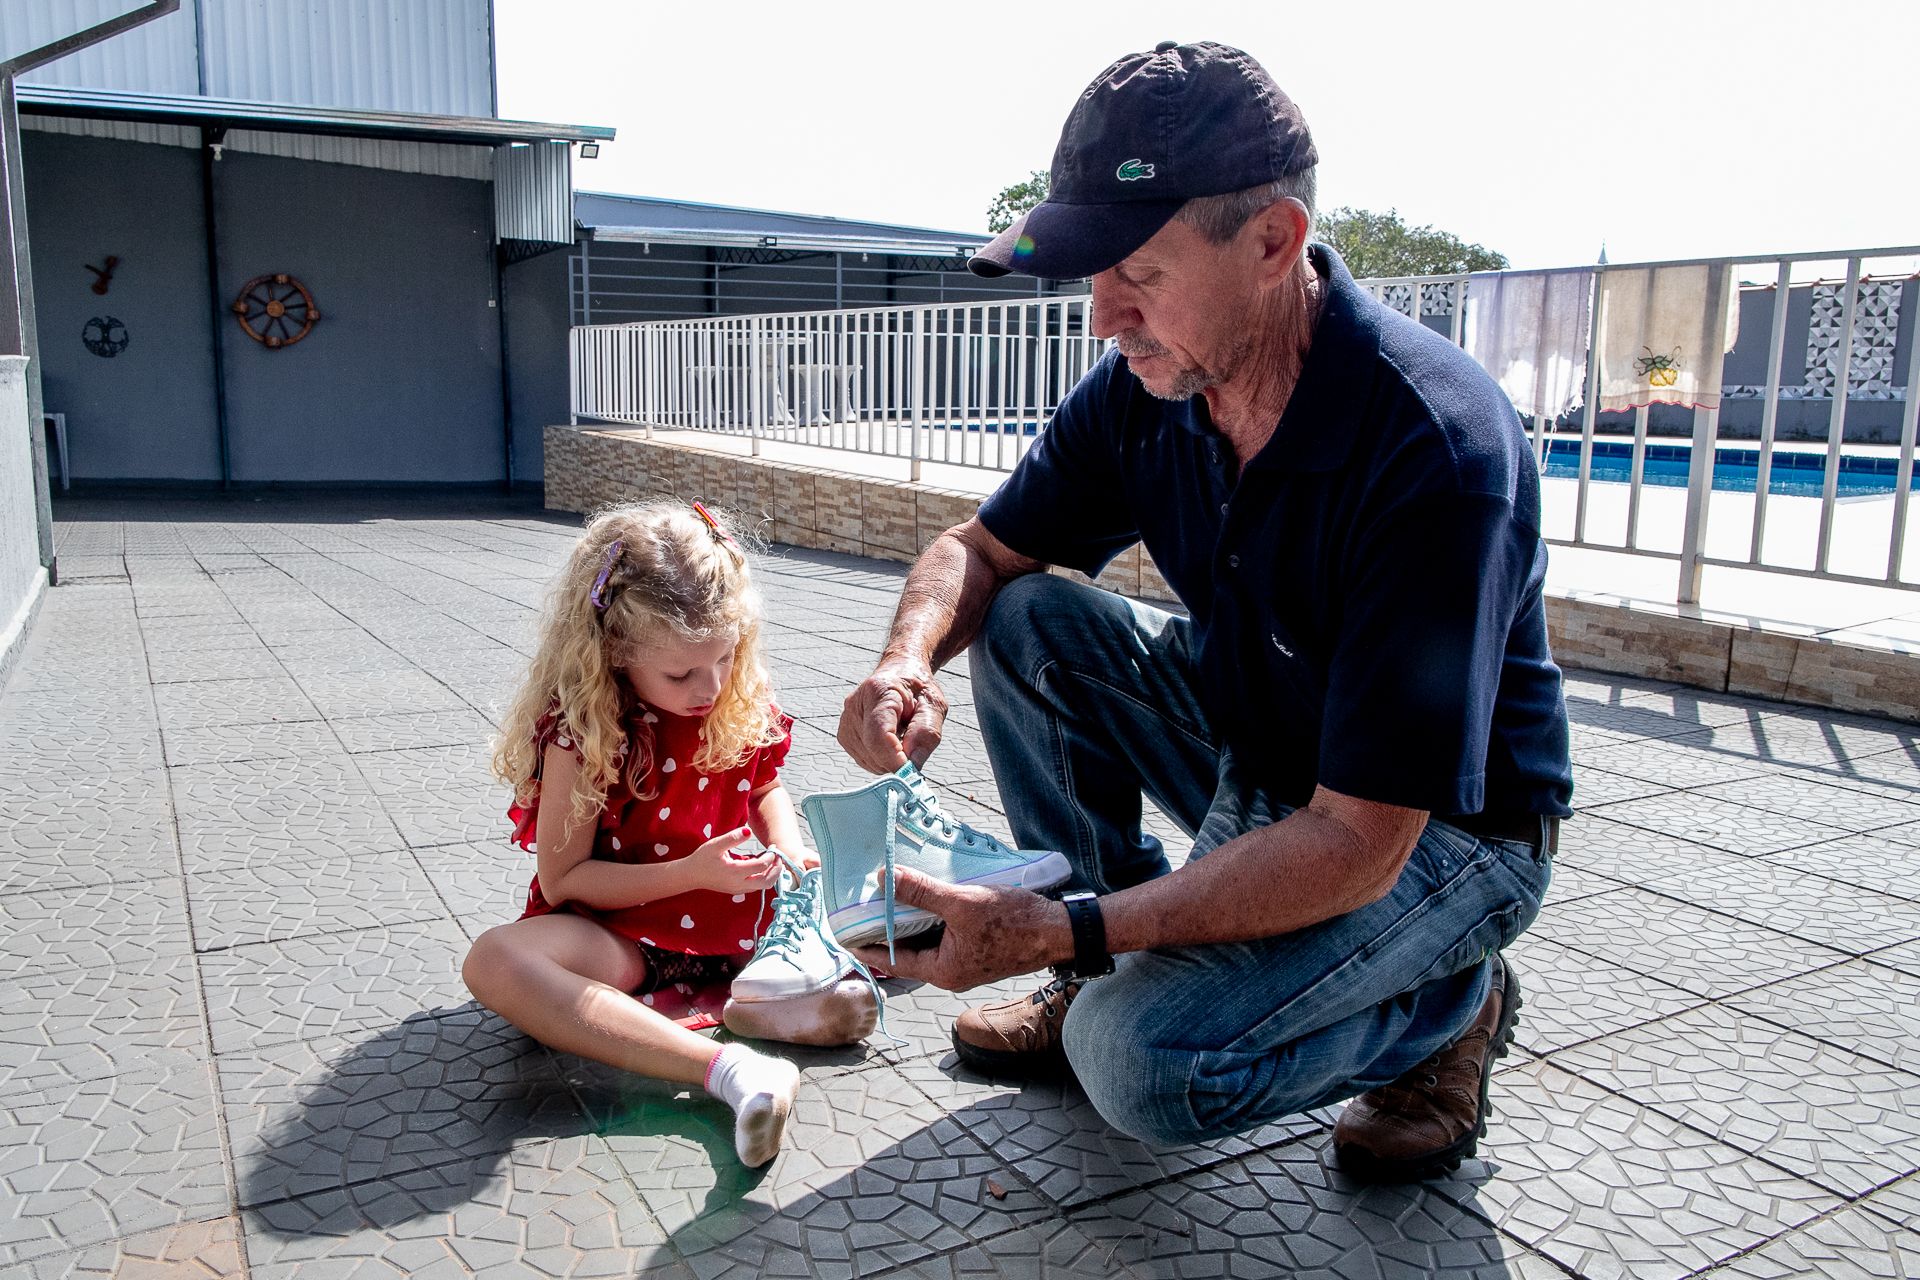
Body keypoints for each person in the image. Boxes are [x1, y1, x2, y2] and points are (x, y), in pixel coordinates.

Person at [838, 41, 1571, 1182]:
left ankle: (1447, 1003)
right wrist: (906, 658)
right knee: (1030, 621)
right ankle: (1093, 963)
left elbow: (1357, 839)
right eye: (1090, 273)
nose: (1099, 316)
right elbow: (977, 551)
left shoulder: (1434, 447)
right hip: (1263, 740)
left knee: (1138, 1063)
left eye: (1135, 266)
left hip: (1441, 830)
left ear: (1274, 242)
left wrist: (1062, 923)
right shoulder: (1154, 384)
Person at [463, 501, 846, 1169]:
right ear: (615, 649)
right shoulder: (583, 729)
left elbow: (762, 788)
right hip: (624, 937)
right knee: (493, 962)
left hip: (739, 918)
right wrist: (691, 874)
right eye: (682, 674)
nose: (713, 686)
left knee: (874, 891)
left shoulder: (735, 695)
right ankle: (732, 1067)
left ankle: (773, 988)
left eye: (727, 658)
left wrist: (787, 845)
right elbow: (565, 880)